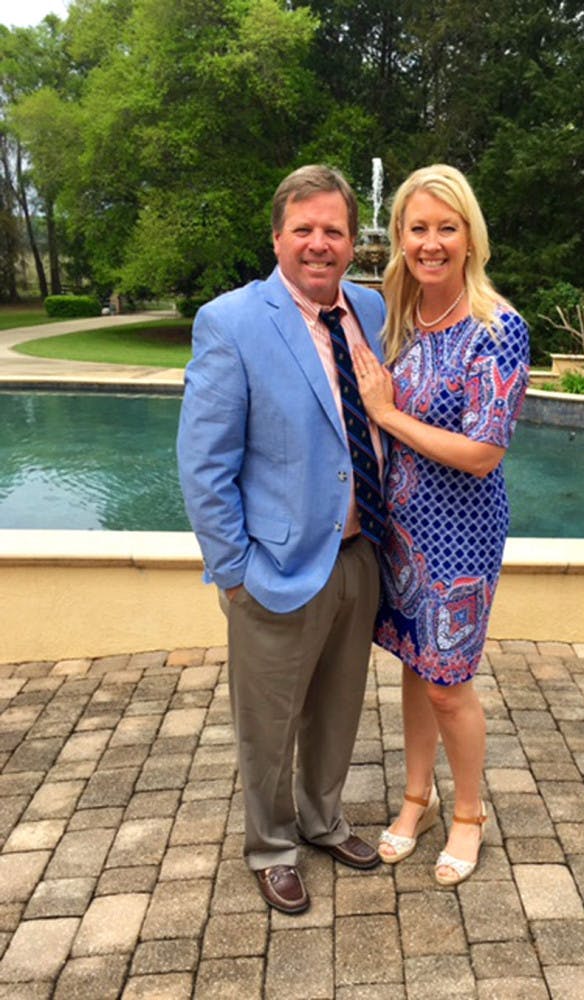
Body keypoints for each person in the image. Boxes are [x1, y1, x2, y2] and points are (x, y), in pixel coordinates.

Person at [177, 164, 387, 915]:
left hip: (360, 556)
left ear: (351, 242)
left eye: (333, 230)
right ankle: (270, 847)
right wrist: (232, 571)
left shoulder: (371, 308)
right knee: (267, 725)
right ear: (277, 237)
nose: (319, 243)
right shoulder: (231, 321)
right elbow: (205, 464)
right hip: (273, 567)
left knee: (338, 707)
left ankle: (324, 820)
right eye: (304, 229)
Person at [352, 164, 529, 886]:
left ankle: (468, 815)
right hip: (401, 531)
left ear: (469, 237)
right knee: (414, 667)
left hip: (460, 534)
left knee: (449, 682)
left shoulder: (498, 328)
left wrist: (389, 415)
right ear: (399, 236)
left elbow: (484, 453)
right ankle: (415, 800)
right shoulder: (400, 316)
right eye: (418, 228)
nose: (431, 243)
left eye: (445, 228)